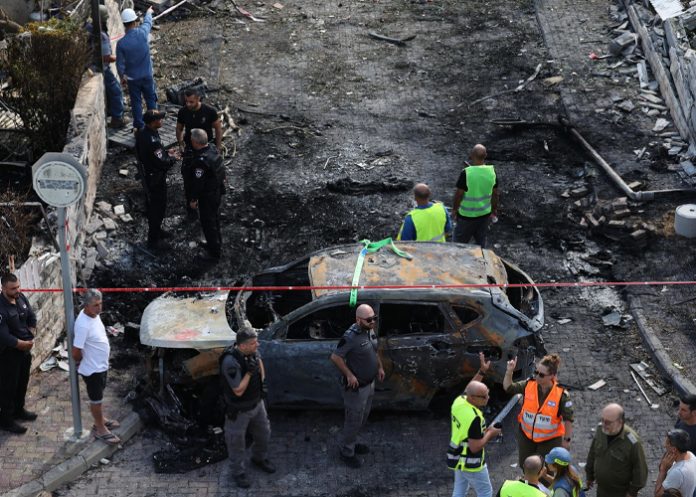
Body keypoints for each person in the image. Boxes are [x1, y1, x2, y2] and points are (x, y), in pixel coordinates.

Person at [330, 304, 385, 468]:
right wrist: (349, 374)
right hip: (357, 389)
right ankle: (346, 451)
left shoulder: (369, 330)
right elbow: (335, 357)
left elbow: (375, 351)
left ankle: (352, 442)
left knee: (363, 417)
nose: (373, 322)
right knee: (353, 420)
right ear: (358, 320)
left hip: (370, 384)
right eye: (369, 320)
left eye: (374, 318)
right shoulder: (350, 337)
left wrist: (380, 367)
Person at [219, 328, 274, 489]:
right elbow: (238, 391)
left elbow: (259, 360)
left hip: (257, 404)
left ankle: (258, 458)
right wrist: (249, 373)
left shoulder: (252, 351)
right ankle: (238, 472)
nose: (257, 344)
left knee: (264, 433)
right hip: (239, 410)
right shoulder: (230, 361)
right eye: (253, 343)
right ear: (242, 346)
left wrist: (262, 382)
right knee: (236, 443)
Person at [503, 354, 574, 467]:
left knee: (546, 469)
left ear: (552, 376)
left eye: (541, 375)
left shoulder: (561, 395)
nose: (537, 376)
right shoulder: (529, 385)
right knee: (526, 466)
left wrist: (566, 441)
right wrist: (509, 371)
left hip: (549, 440)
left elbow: (568, 419)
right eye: (536, 372)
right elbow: (508, 387)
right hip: (526, 437)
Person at [72, 289, 121, 445]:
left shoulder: (94, 315)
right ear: (86, 306)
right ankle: (100, 429)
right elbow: (75, 352)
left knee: (99, 397)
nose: (99, 308)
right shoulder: (82, 325)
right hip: (92, 369)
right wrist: (82, 363)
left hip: (101, 366)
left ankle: (101, 419)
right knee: (96, 400)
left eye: (100, 304)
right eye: (95, 305)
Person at [447, 357, 501, 497]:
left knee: (459, 490)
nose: (487, 398)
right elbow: (475, 447)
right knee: (486, 492)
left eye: (487, 394)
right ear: (472, 398)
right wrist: (491, 433)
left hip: (457, 455)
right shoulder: (475, 418)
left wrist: (482, 371)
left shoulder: (459, 402)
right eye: (483, 396)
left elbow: (470, 387)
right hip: (471, 462)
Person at [176, 88, 223, 218]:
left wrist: (218, 147)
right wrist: (180, 143)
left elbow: (218, 128)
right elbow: (179, 128)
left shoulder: (209, 111)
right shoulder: (183, 111)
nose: (188, 104)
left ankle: (211, 206)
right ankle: (191, 207)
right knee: (188, 178)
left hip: (206, 149)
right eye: (186, 101)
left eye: (191, 102)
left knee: (210, 177)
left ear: (198, 99)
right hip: (190, 150)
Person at [0, 273, 37, 434]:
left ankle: (19, 410)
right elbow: (3, 335)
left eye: (18, 287)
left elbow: (31, 315)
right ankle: (6, 421)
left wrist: (32, 330)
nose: (17, 290)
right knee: (8, 387)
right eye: (13, 288)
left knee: (22, 382)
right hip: (9, 354)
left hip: (25, 352)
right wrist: (21, 344)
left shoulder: (21, 297)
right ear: (3, 288)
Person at [586, 403, 648, 497]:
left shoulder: (632, 442)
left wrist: (632, 492)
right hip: (602, 491)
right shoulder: (600, 430)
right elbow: (592, 453)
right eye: (602, 420)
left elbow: (640, 471)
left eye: (608, 422)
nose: (604, 425)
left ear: (620, 422)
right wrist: (589, 476)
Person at [135, 109, 176, 249]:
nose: (162, 121)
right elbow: (162, 162)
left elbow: (154, 155)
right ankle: (153, 240)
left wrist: (165, 153)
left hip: (149, 174)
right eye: (159, 119)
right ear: (153, 122)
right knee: (157, 208)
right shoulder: (152, 140)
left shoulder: (144, 132)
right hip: (155, 178)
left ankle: (157, 230)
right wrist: (172, 159)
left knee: (154, 206)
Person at [116, 7, 157, 131]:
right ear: (135, 21)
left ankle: (139, 126)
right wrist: (149, 12)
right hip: (147, 75)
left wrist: (122, 76)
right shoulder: (143, 33)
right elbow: (148, 22)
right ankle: (154, 121)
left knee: (136, 102)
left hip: (133, 79)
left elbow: (120, 64)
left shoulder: (121, 43)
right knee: (151, 98)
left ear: (124, 24)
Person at [452, 144, 499, 247]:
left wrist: (454, 210)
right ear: (485, 155)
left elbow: (459, 195)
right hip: (484, 215)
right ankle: (482, 261)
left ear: (471, 155)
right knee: (481, 243)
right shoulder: (492, 172)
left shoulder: (466, 173)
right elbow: (495, 194)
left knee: (458, 245)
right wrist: (494, 209)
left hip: (466, 217)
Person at [189, 128, 225, 261]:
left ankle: (214, 252)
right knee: (215, 219)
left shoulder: (200, 161)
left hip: (207, 196)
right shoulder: (213, 149)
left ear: (194, 142)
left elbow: (198, 183)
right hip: (217, 191)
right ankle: (216, 243)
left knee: (208, 223)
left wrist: (193, 199)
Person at [91, 5, 126, 129]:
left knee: (110, 92)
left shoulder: (89, 28)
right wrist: (120, 58)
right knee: (116, 91)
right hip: (102, 69)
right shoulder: (102, 36)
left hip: (91, 68)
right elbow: (106, 58)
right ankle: (117, 119)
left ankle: (112, 112)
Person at [655, 429, 696, 497]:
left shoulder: (677, 472)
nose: (664, 445)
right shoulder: (691, 455)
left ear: (674, 449)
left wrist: (663, 470)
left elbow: (657, 494)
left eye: (667, 443)